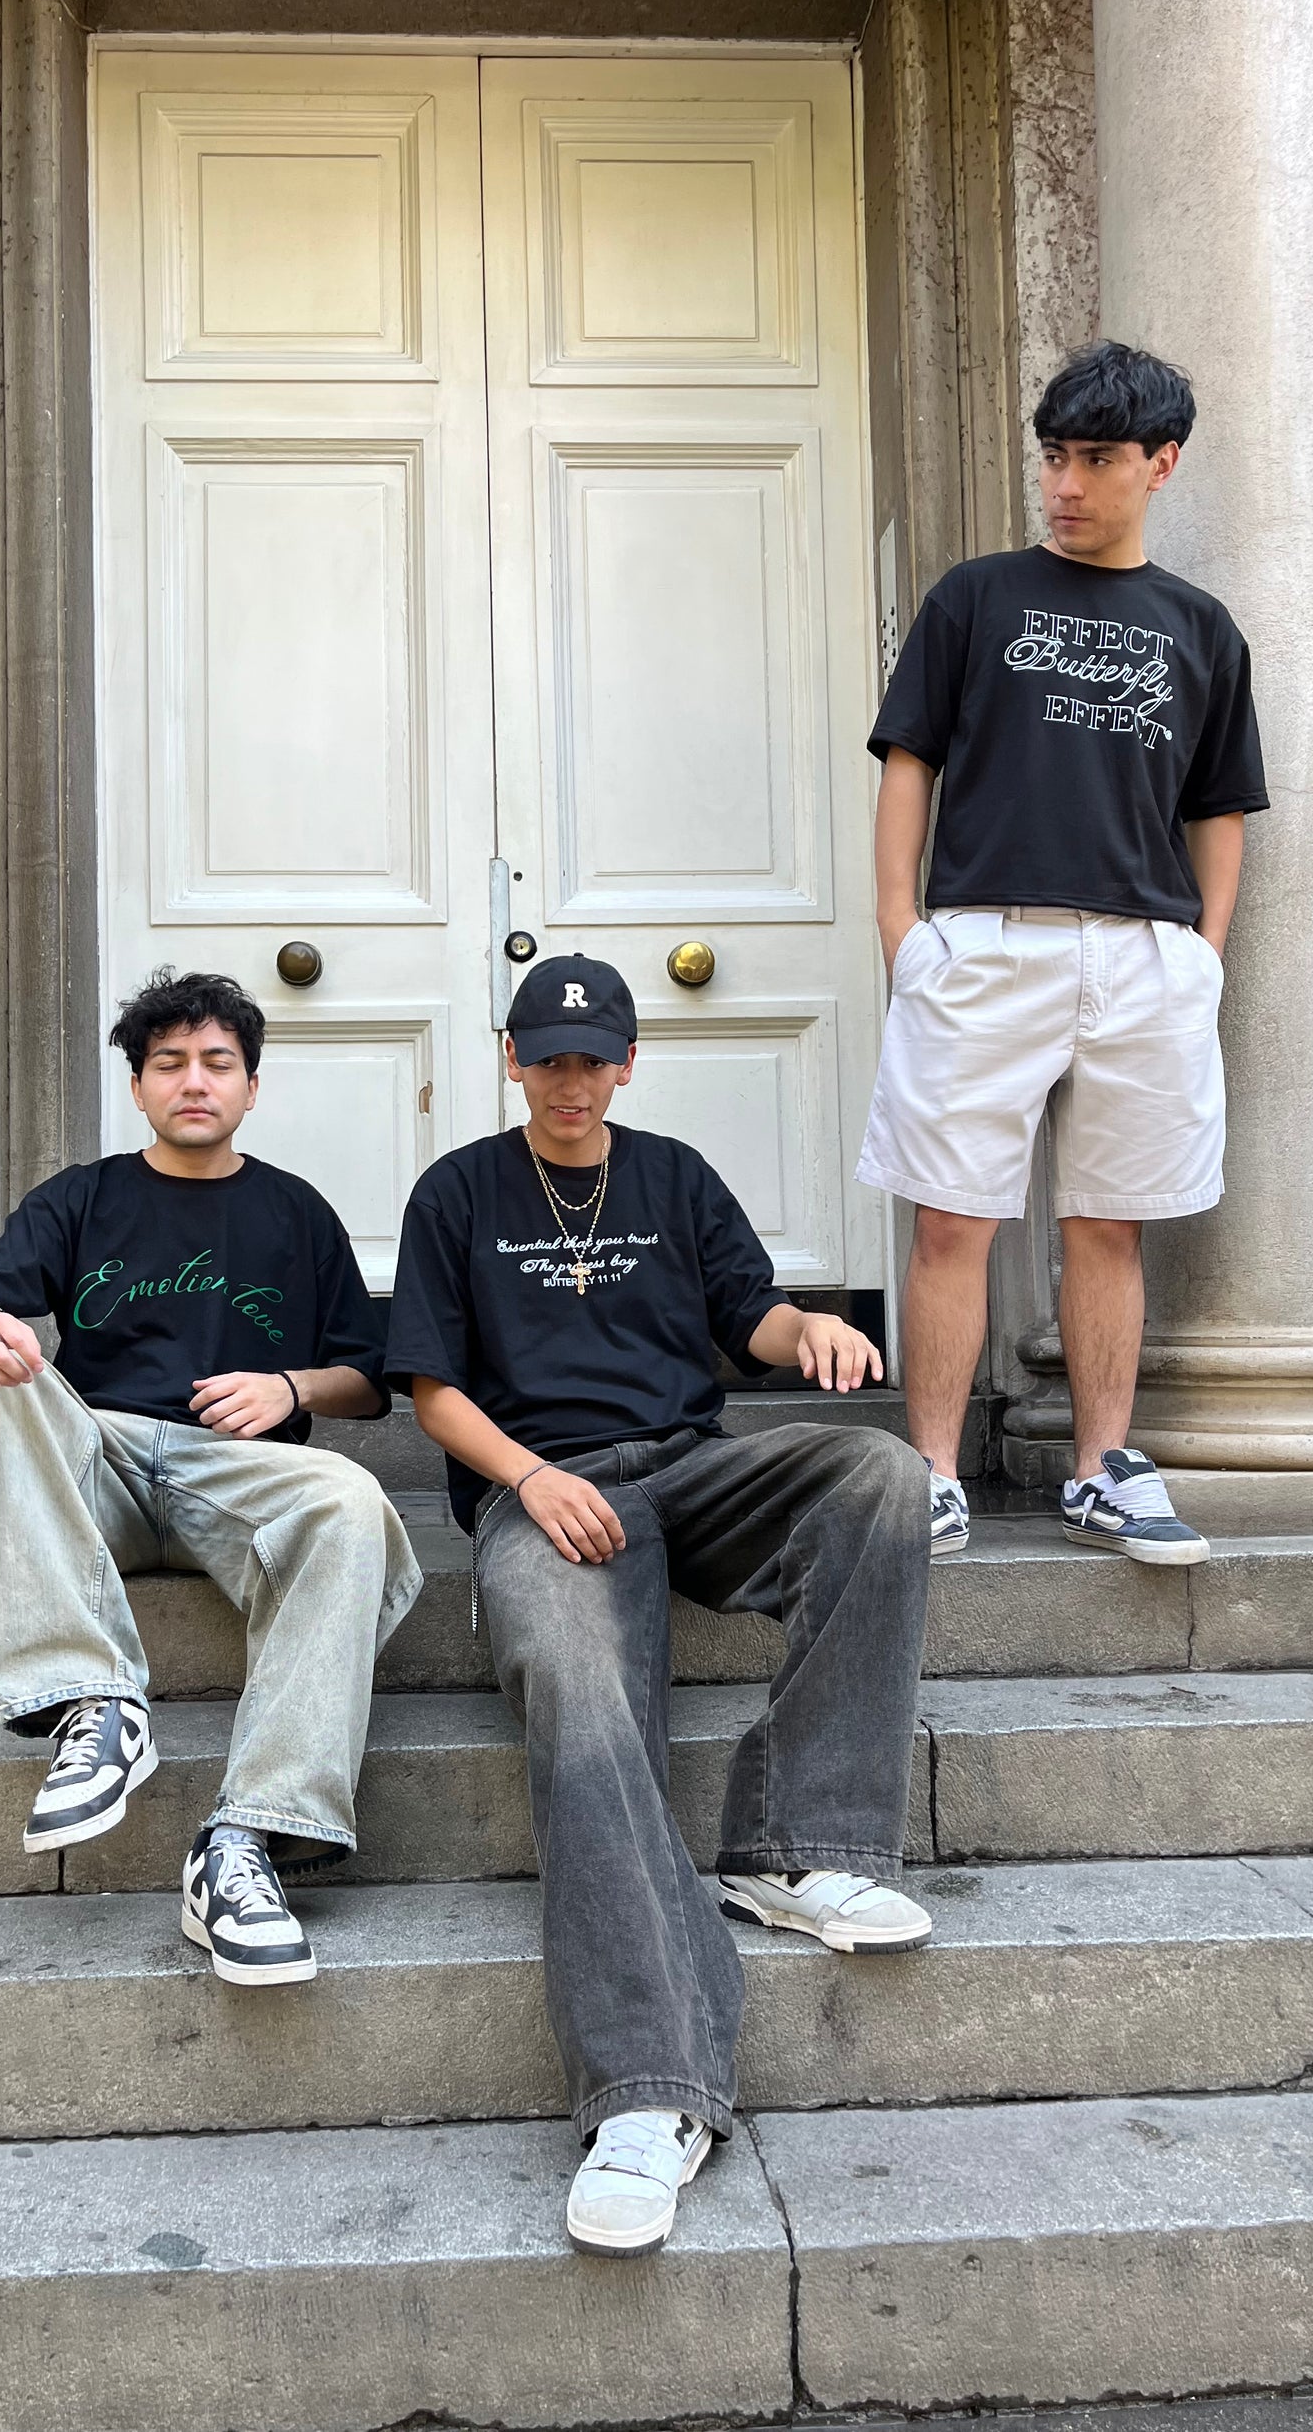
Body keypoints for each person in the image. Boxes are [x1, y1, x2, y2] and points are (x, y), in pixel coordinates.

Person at [387, 953, 932, 2259]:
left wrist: (808, 1333)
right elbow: (431, 1392)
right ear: (511, 1059)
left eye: (592, 1058)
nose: (569, 1080)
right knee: (580, 1693)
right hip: (543, 1490)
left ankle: (793, 1843)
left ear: (626, 1062)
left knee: (880, 1473)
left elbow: (750, 1316)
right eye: (546, 1057)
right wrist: (528, 1477)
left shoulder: (674, 1175)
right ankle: (646, 2089)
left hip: (690, 1470)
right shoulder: (456, 1190)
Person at [859, 339, 1270, 1565]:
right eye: (1052, 457)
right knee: (952, 1220)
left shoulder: (1200, 629)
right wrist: (899, 929)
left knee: (1109, 1223)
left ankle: (1098, 1470)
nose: (1064, 484)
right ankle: (931, 1476)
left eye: (1094, 459)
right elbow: (908, 761)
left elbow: (1218, 807)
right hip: (985, 942)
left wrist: (1204, 953)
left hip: (1143, 955)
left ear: (1160, 464)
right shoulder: (974, 598)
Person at [0, 968, 419, 1989]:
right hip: (94, 1463)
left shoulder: (295, 1212)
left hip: (236, 1479)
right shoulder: (85, 1196)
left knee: (350, 1501)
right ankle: (95, 1702)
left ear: (251, 1086)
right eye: (170, 1063)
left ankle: (247, 1839)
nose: (194, 1081)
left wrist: (291, 1388)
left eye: (217, 1063)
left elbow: (372, 1382)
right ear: (139, 1086)